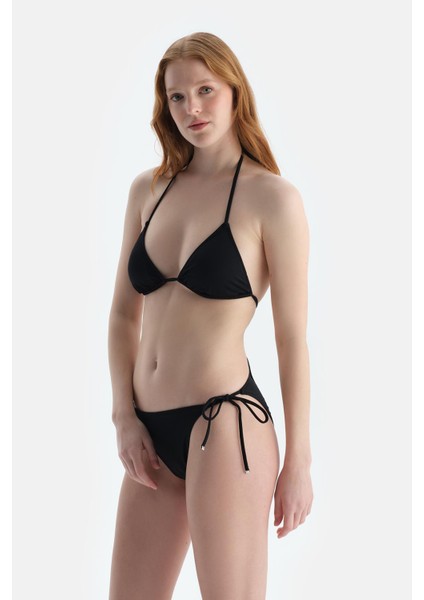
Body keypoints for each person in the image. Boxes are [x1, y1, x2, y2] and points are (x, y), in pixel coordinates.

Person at [107, 31, 313, 600]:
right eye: (177, 96)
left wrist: (299, 459)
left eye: (205, 90)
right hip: (149, 433)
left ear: (235, 90)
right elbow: (123, 316)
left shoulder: (273, 199)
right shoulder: (147, 192)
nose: (191, 108)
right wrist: (124, 416)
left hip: (225, 427)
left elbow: (291, 338)